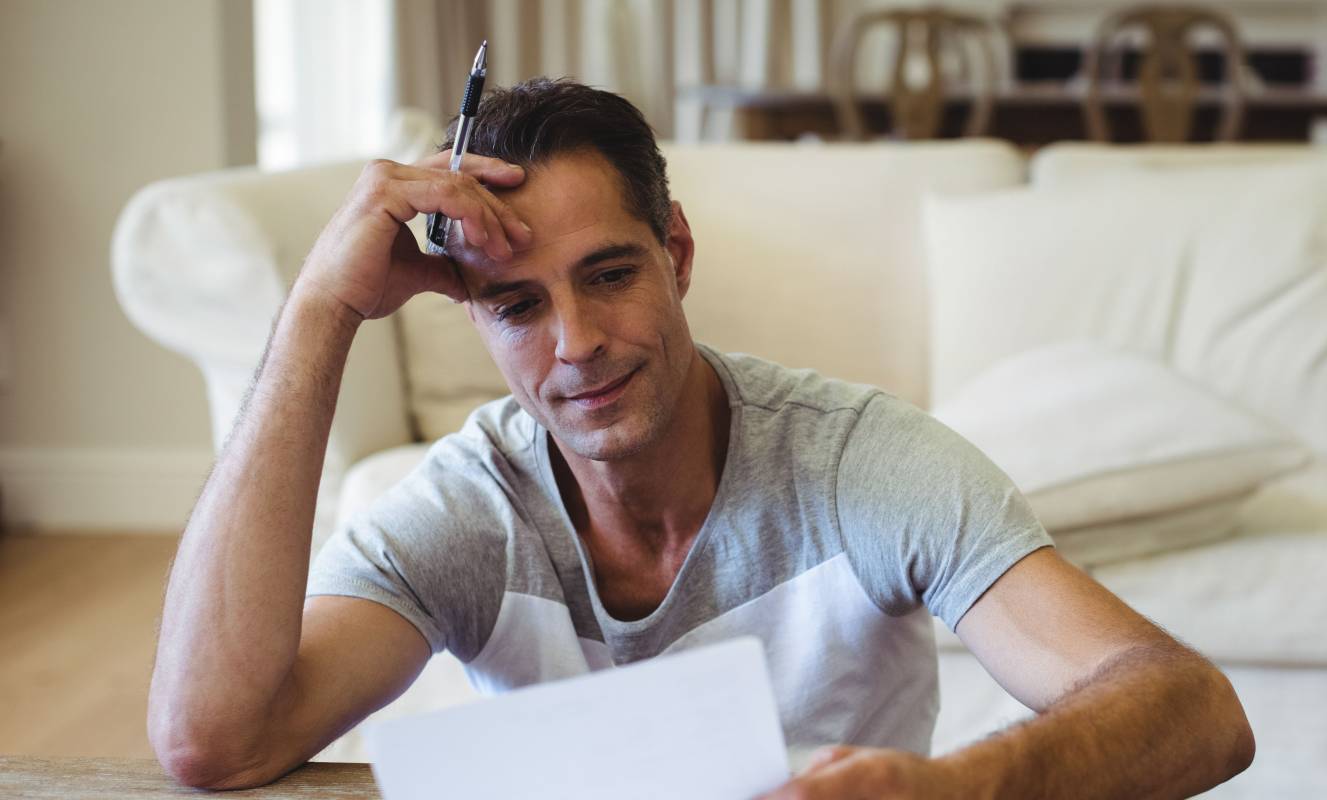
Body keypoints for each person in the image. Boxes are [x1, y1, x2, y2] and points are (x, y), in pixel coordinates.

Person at [148, 78, 1253, 798]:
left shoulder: (863, 465)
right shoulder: (472, 507)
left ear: (675, 254)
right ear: (473, 315)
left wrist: (959, 788)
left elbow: (1194, 707)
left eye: (609, 274)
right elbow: (216, 739)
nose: (577, 343)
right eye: (519, 306)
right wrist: (321, 310)